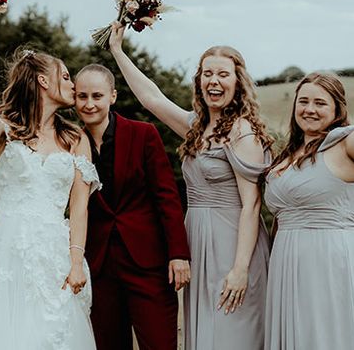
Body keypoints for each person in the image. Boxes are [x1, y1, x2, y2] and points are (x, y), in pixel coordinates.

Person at [108, 23, 273, 350]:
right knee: (206, 333)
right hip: (197, 240)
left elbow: (252, 206)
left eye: (223, 74)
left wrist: (240, 269)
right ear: (199, 80)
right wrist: (117, 51)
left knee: (231, 332)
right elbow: (151, 98)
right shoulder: (195, 128)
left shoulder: (242, 133)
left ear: (238, 82)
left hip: (232, 244)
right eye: (207, 73)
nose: (214, 80)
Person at [0, 23, 98, 349]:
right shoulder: (5, 130)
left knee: (50, 334)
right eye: (66, 77)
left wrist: (76, 261)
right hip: (3, 250)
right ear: (43, 81)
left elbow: (79, 207)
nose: (72, 84)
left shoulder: (75, 138)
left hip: (53, 252)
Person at [75, 63, 190, 350]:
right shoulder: (69, 142)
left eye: (97, 96)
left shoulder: (144, 134)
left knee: (159, 343)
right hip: (98, 265)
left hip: (147, 262)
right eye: (82, 96)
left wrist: (178, 253)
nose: (89, 104)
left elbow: (167, 196)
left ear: (112, 96)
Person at [264, 72, 354, 349]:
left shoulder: (345, 142)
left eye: (320, 103)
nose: (310, 109)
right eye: (303, 101)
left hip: (329, 260)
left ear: (337, 109)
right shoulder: (286, 154)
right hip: (284, 262)